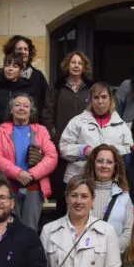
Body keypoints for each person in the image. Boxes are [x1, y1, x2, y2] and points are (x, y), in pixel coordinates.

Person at [40, 175, 122, 267]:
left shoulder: (107, 230)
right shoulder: (48, 230)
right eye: (74, 195)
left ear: (92, 200)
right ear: (66, 198)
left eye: (84, 196)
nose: (79, 201)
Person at [0, 93, 58, 231]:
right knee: (8, 228)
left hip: (33, 187)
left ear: (31, 110)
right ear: (11, 110)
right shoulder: (1, 130)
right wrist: (18, 173)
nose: (21, 108)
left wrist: (32, 174)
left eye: (25, 105)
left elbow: (52, 157)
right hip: (8, 187)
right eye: (17, 105)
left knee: (30, 229)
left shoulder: (41, 130)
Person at [42, 50, 93, 218]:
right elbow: (47, 115)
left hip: (85, 146)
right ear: (67, 65)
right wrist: (54, 137)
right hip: (61, 146)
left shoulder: (91, 89)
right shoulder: (56, 88)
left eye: (80, 63)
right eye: (73, 62)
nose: (76, 66)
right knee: (62, 187)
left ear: (84, 67)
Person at [59, 82, 132, 182]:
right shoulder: (77, 121)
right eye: (96, 97)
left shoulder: (121, 125)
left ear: (110, 99)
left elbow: (129, 150)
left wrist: (109, 152)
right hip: (80, 180)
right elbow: (64, 148)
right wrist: (83, 150)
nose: (100, 101)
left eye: (104, 97)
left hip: (111, 180)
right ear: (90, 100)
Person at [85, 144, 134, 252]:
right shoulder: (81, 193)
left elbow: (128, 231)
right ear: (93, 164)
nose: (104, 165)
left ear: (115, 166)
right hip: (85, 257)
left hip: (114, 259)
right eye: (100, 161)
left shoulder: (124, 196)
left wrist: (109, 251)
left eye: (109, 162)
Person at [0, 53, 43, 140]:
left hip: (23, 136)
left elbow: (33, 114)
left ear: (20, 70)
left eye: (15, 66)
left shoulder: (28, 89)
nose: (10, 69)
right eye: (7, 65)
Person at [0, 35, 49, 117]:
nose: (23, 52)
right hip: (1, 125)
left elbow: (46, 103)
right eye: (19, 49)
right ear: (12, 51)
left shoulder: (37, 76)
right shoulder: (0, 74)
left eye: (26, 49)